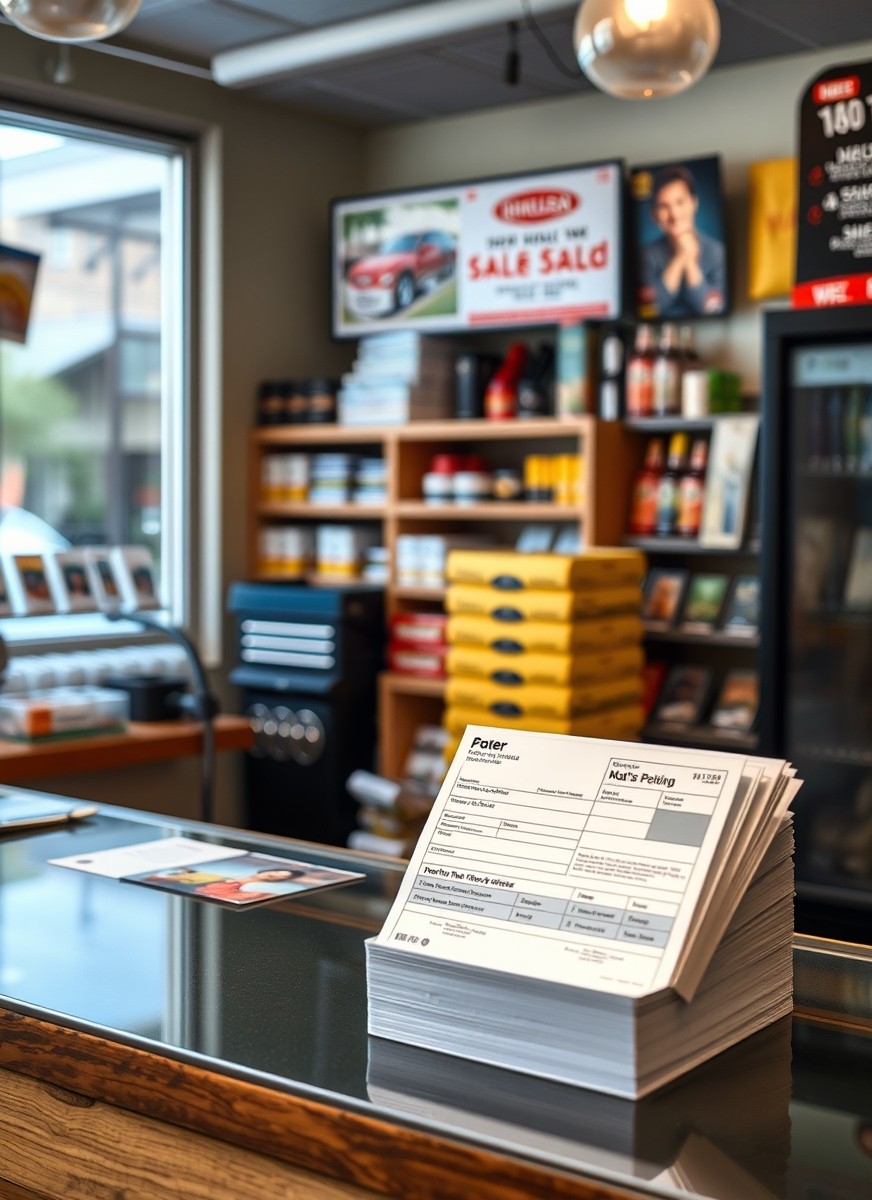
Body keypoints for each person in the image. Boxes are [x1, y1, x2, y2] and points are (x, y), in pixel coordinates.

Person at [639, 165, 726, 319]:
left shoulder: (717, 252)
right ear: (653, 214)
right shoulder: (646, 254)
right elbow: (650, 309)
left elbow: (713, 310)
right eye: (663, 206)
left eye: (680, 202)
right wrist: (679, 259)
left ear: (694, 203)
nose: (674, 214)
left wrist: (690, 264)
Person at [194, 867, 306, 902]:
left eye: (282, 877)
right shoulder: (223, 875)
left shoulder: (254, 891)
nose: (275, 875)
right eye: (277, 872)